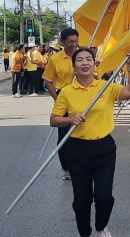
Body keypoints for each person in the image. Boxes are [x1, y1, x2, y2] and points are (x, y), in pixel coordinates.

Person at [50, 47, 130, 237]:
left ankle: (100, 226)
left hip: (104, 149)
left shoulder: (106, 87)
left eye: (88, 59)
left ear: (94, 64)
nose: (84, 63)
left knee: (103, 197)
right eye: (79, 60)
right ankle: (84, 232)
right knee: (81, 200)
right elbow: (54, 120)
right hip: (77, 150)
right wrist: (69, 119)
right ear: (74, 67)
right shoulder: (66, 92)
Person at [43, 28, 79, 180]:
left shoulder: (82, 56)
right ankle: (67, 168)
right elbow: (48, 81)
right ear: (62, 42)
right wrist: (57, 99)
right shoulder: (55, 59)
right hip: (64, 97)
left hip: (82, 97)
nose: (73, 45)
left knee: (83, 133)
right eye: (70, 42)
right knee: (64, 136)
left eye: (76, 41)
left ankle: (83, 165)